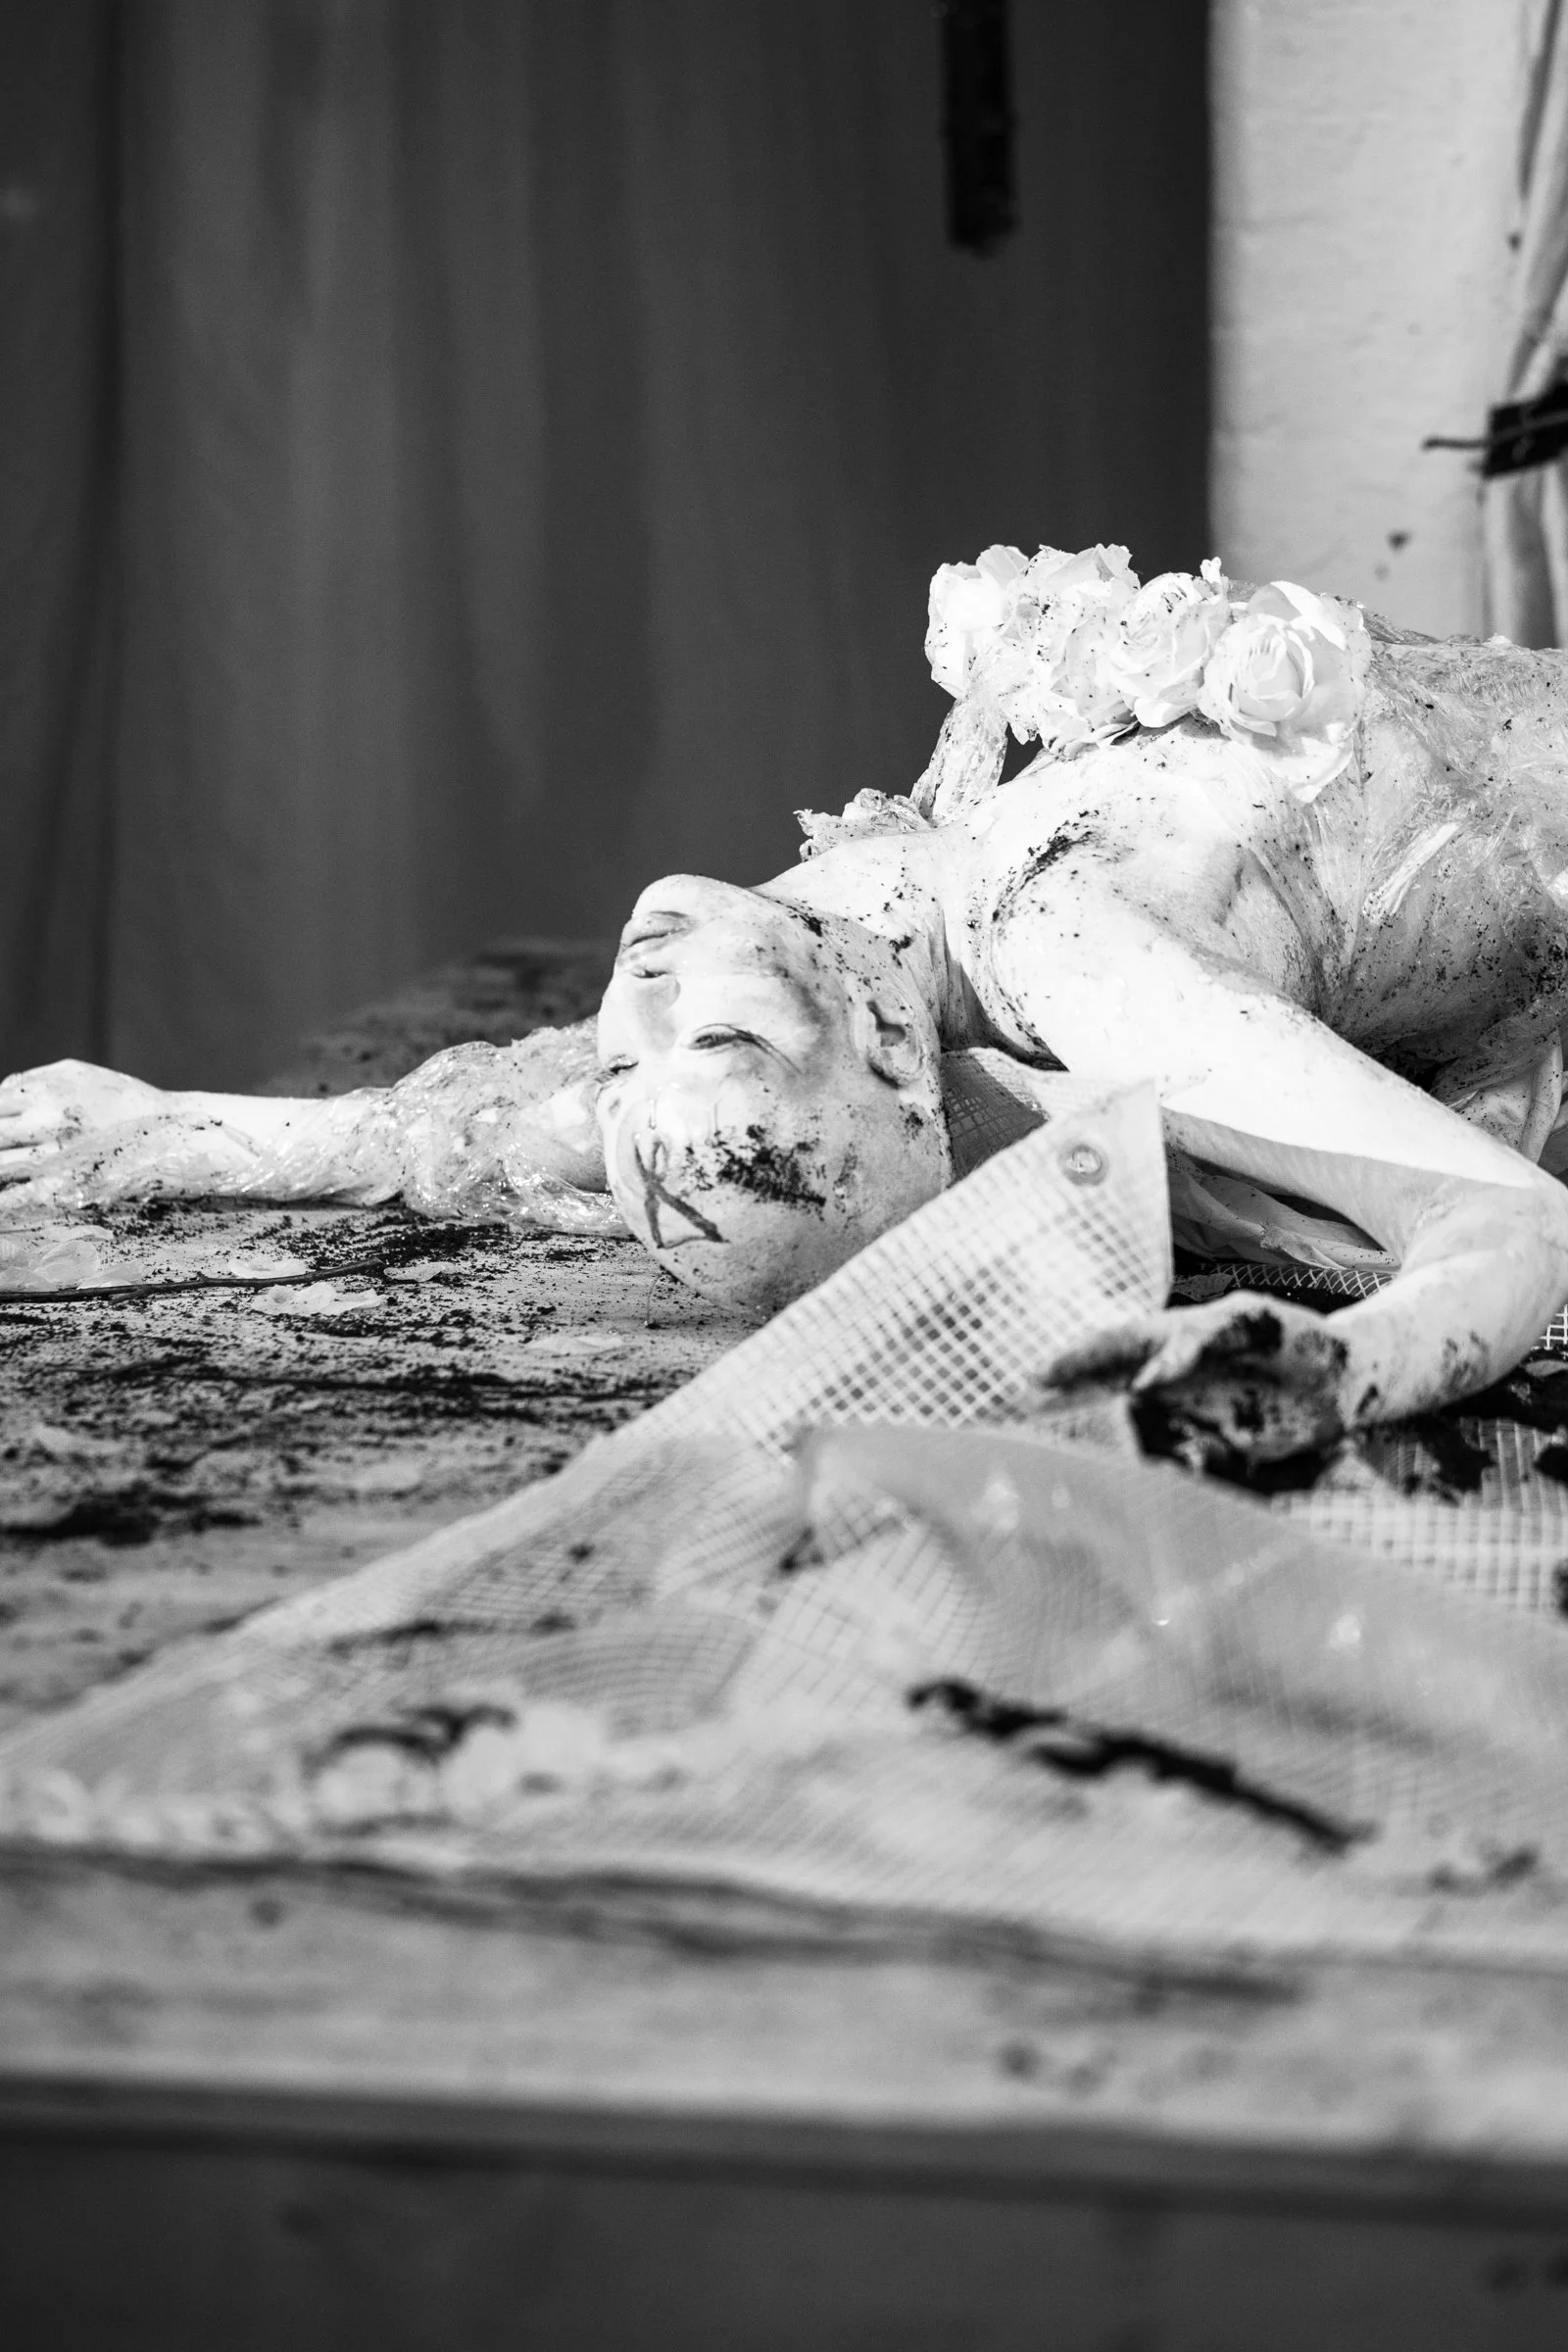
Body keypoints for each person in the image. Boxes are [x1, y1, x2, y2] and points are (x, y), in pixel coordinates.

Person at [8, 548, 1568, 1460]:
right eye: (720, 1042)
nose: (633, 1008)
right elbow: (1502, 1231)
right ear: (891, 1055)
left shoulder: (870, 963)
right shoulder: (1065, 950)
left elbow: (497, 1132)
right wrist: (1334, 1376)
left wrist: (175, 1131)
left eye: (629, 1066)